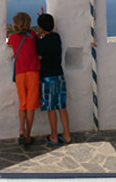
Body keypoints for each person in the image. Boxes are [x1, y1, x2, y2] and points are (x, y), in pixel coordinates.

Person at [36, 12, 72, 145]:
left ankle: (54, 136)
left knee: (51, 108)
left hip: (47, 78)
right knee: (62, 107)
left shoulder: (41, 42)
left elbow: (39, 55)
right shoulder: (57, 37)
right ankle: (67, 135)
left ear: (40, 27)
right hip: (59, 76)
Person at [7, 12, 40, 145]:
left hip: (20, 75)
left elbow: (9, 43)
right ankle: (28, 134)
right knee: (31, 106)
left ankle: (21, 130)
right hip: (33, 74)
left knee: (23, 105)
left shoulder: (13, 38)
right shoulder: (32, 36)